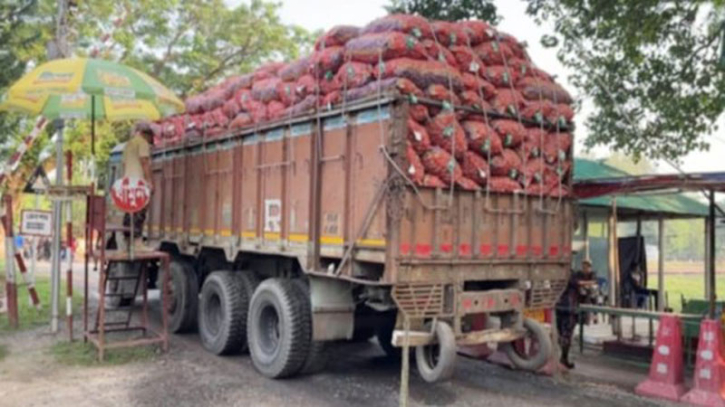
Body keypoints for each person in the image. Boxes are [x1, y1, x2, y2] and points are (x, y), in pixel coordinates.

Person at [556, 258, 598, 369]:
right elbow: (578, 284)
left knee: (561, 333)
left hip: (559, 306)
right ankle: (563, 358)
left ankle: (561, 356)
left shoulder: (558, 273)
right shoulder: (572, 275)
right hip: (569, 307)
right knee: (567, 334)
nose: (585, 268)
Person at [121, 123, 154, 250]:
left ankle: (127, 242)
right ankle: (138, 243)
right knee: (139, 213)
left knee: (129, 213)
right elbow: (144, 162)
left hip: (128, 183)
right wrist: (149, 181)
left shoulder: (128, 145)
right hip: (138, 183)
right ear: (147, 135)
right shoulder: (142, 143)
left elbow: (124, 165)